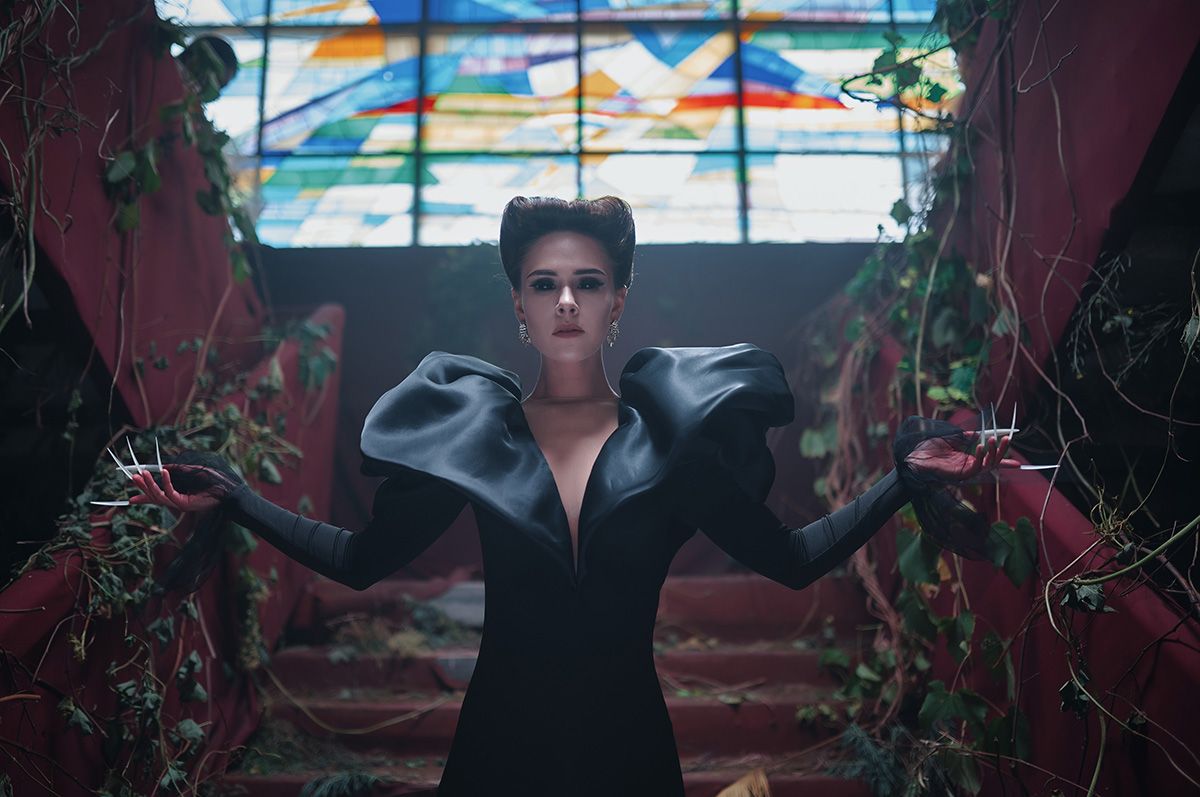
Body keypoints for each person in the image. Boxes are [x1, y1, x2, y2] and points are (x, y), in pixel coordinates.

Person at [123, 196, 1016, 795]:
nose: (565, 303)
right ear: (518, 304)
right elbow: (361, 561)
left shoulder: (673, 437)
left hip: (630, 747)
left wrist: (903, 481)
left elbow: (790, 560)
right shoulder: (475, 432)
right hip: (497, 747)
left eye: (587, 283)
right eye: (543, 284)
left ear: (617, 300)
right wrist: (236, 499)